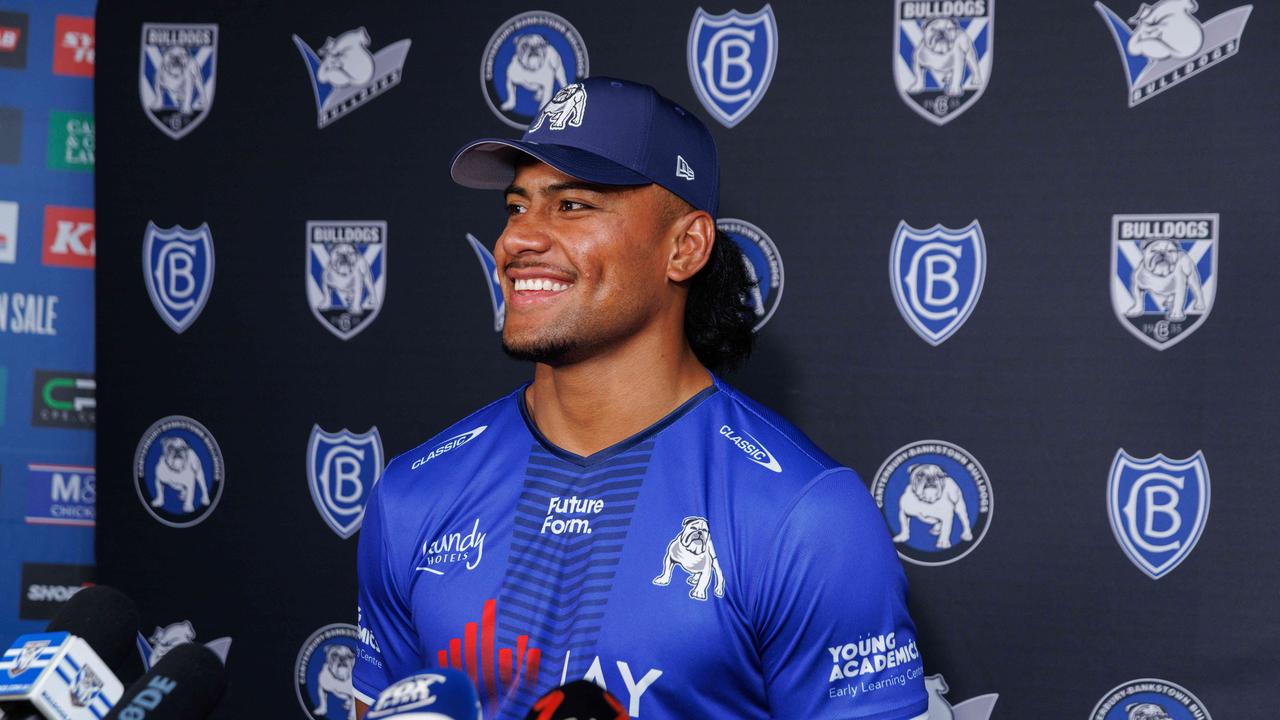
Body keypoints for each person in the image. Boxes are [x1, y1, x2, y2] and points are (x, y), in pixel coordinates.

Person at [353, 76, 928, 720]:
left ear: (684, 247)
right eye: (517, 207)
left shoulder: (804, 516)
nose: (518, 240)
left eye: (572, 206)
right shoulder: (414, 493)